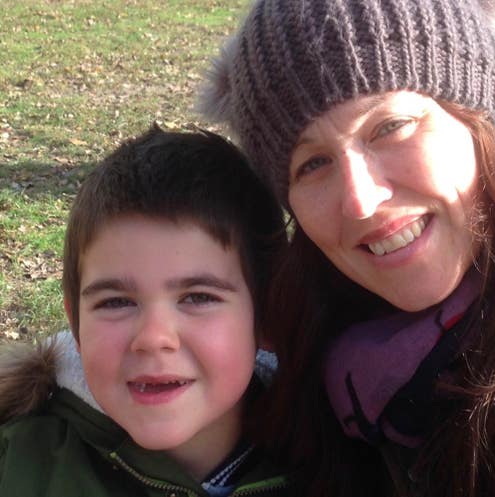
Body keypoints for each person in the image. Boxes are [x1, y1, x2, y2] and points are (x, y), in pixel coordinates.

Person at [199, 0, 495, 496]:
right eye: (313, 164)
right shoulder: (299, 359)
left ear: (482, 123)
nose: (361, 202)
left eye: (390, 127)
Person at [0, 126, 289, 497]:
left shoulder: (339, 462)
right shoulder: (18, 463)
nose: (153, 338)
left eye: (198, 297)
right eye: (115, 302)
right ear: (76, 324)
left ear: (267, 314)